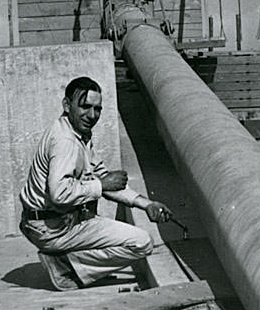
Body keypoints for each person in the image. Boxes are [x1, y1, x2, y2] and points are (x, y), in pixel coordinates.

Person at [19, 76, 173, 290]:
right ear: (66, 105)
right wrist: (102, 185)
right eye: (84, 107)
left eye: (97, 109)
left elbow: (100, 175)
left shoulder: (76, 133)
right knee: (142, 243)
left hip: (51, 223)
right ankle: (65, 267)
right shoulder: (65, 141)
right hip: (53, 229)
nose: (92, 115)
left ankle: (69, 262)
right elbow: (60, 194)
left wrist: (146, 204)